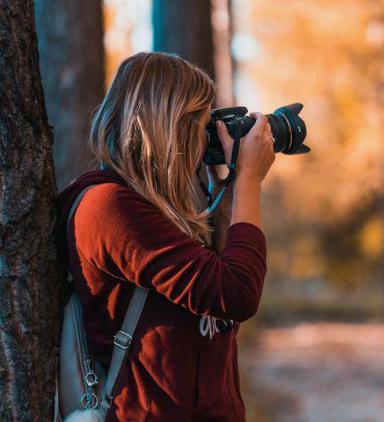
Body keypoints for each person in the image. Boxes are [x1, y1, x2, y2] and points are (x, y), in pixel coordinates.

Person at [53, 52, 275, 421]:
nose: (206, 142)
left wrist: (227, 184)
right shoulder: (109, 206)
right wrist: (249, 180)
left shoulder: (156, 209)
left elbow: (220, 272)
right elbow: (235, 293)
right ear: (174, 126)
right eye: (202, 127)